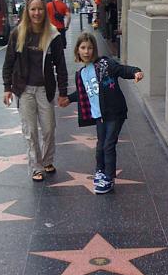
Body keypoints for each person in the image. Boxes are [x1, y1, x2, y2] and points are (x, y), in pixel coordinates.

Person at [61, 32, 143, 194]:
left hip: (115, 112)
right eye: (83, 48)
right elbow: (83, 93)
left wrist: (136, 72)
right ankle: (100, 170)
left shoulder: (105, 64)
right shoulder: (82, 74)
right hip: (100, 115)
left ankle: (109, 178)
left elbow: (122, 69)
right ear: (77, 50)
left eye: (90, 48)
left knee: (108, 144)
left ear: (95, 49)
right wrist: (69, 99)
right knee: (100, 145)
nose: (86, 51)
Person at [2, 0, 68, 182]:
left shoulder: (53, 34)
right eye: (33, 9)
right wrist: (7, 87)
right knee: (30, 131)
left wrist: (63, 92)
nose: (36, 13)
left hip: (44, 89)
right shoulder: (18, 33)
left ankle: (47, 160)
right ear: (27, 11)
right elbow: (8, 62)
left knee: (48, 129)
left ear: (44, 11)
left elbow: (60, 66)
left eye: (40, 9)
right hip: (24, 90)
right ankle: (36, 167)